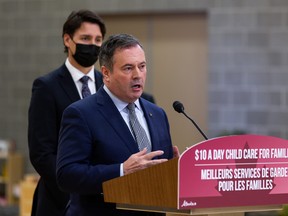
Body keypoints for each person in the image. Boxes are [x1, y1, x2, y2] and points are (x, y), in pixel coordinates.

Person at [56, 33, 179, 216]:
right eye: (128, 68)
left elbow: (157, 172)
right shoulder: (81, 114)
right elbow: (67, 175)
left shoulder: (158, 113)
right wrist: (122, 170)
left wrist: (174, 168)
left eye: (142, 66)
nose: (138, 75)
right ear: (106, 73)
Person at [28, 10, 106, 216]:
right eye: (85, 38)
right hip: (59, 200)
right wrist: (78, 183)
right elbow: (41, 153)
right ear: (67, 40)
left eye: (98, 40)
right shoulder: (46, 87)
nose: (93, 45)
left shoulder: (109, 87)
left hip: (102, 199)